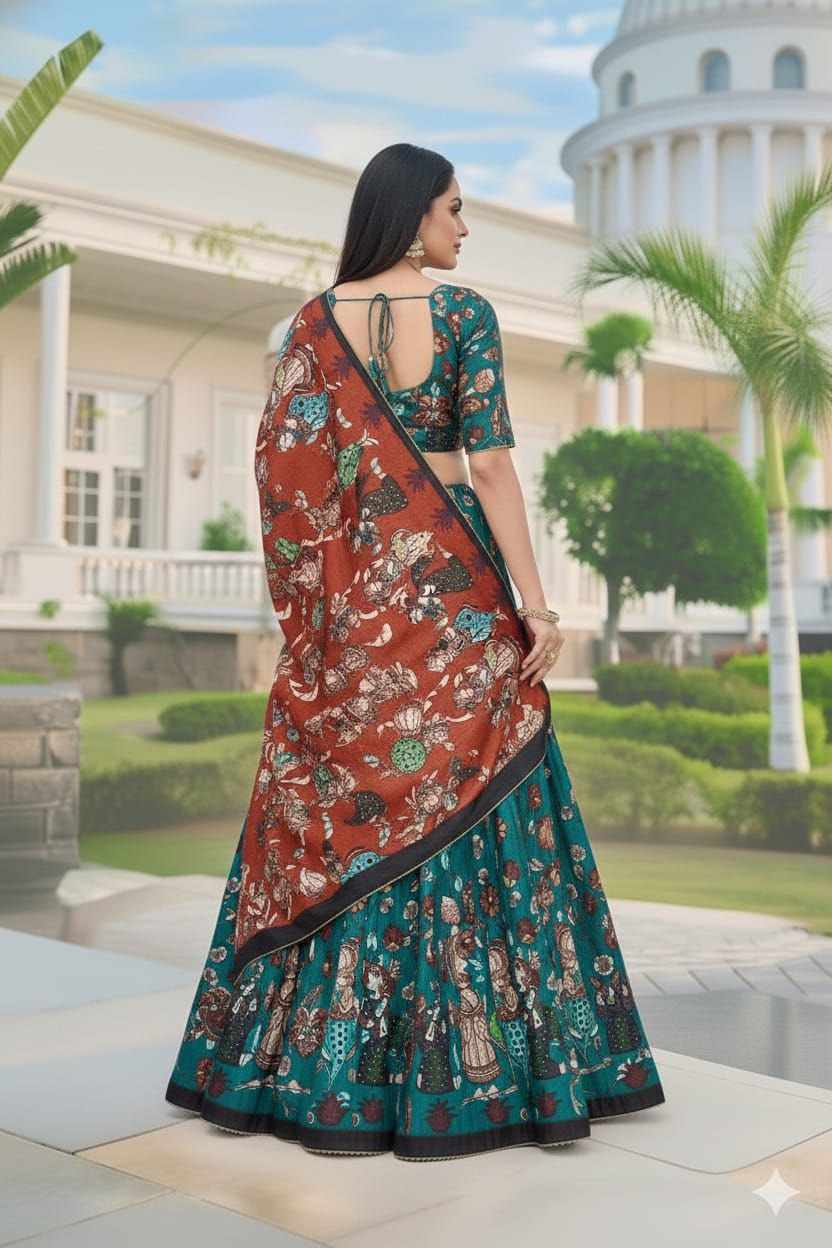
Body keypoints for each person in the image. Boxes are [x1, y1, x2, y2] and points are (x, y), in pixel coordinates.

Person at [164, 142, 666, 1161]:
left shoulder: (312, 326)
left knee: (360, 807)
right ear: (410, 214)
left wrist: (315, 626)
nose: (464, 228)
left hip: (359, 606)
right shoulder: (464, 316)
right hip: (457, 595)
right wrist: (534, 604)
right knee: (483, 801)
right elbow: (490, 466)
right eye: (453, 208)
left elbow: (287, 484)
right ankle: (503, 1070)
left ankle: (321, 1071)